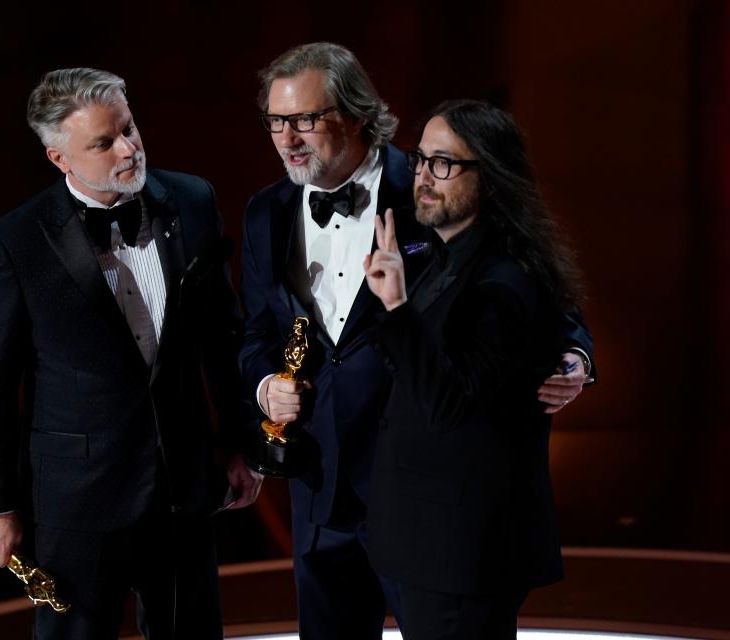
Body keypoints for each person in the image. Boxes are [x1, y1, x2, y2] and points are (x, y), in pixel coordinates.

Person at [239, 42, 594, 639]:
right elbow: (256, 332)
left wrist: (577, 356)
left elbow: (531, 279)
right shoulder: (264, 214)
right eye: (276, 121)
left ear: (355, 114)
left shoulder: (435, 185)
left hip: (423, 492)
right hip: (317, 488)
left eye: (304, 119)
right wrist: (265, 384)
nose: (287, 138)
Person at [0, 67, 262, 639]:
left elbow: (223, 338)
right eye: (104, 142)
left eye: (129, 128)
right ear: (60, 160)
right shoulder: (16, 240)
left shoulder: (192, 201)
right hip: (78, 500)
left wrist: (239, 444)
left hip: (184, 486)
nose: (129, 149)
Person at [363, 99, 584, 638]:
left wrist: (396, 309)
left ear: (491, 175)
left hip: (463, 550)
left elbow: (447, 403)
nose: (423, 177)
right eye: (421, 160)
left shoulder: (504, 282)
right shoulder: (447, 256)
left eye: (445, 163)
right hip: (435, 542)